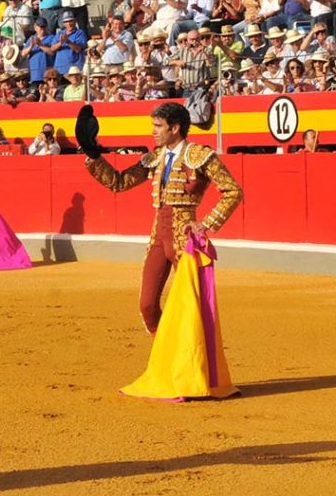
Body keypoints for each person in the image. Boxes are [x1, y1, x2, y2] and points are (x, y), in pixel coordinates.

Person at [80, 102, 242, 335]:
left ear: (174, 128)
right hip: (159, 234)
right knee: (147, 305)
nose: (153, 131)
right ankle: (165, 354)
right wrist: (93, 155)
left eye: (158, 126)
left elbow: (233, 191)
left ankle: (194, 360)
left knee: (191, 306)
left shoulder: (199, 155)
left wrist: (205, 224)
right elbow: (119, 182)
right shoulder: (155, 157)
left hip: (185, 238)